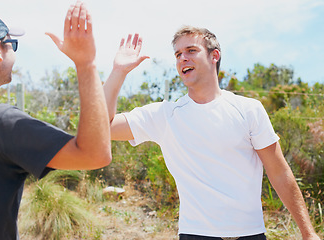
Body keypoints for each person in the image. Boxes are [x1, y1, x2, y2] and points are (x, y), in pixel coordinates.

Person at [103, 29, 320, 239]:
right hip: (195, 235)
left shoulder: (248, 109)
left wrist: (308, 233)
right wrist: (118, 71)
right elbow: (103, 126)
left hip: (250, 235)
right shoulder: (164, 116)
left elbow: (279, 172)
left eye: (191, 50)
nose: (182, 59)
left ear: (214, 55)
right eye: (178, 54)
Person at [0, 1, 111, 239]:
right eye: (11, 45)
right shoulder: (1, 122)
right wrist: (86, 63)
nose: (14, 52)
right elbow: (95, 154)